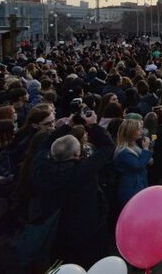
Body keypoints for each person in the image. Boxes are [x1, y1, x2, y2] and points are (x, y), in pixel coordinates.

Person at [29, 111, 115, 268]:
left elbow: (43, 146)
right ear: (77, 154)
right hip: (85, 228)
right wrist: (92, 125)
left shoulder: (40, 168)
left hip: (56, 228)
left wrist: (67, 126)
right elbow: (108, 147)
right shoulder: (83, 170)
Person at [113, 118, 153, 207]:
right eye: (138, 130)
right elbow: (138, 165)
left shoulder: (134, 146)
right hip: (131, 187)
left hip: (139, 183)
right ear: (130, 132)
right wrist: (146, 149)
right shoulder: (123, 152)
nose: (141, 132)